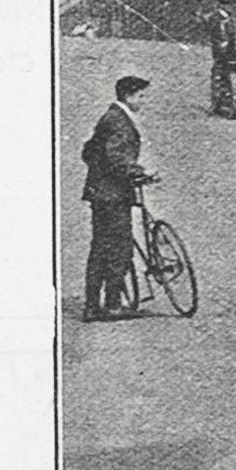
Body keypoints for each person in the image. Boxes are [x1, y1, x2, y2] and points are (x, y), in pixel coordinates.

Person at [80, 75, 154, 322]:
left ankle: (92, 306)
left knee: (100, 247)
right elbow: (116, 158)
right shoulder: (119, 121)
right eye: (141, 96)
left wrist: (100, 173)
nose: (144, 101)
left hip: (100, 194)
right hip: (113, 196)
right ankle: (113, 305)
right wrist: (138, 172)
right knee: (119, 248)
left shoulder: (110, 117)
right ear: (129, 96)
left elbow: (89, 151)